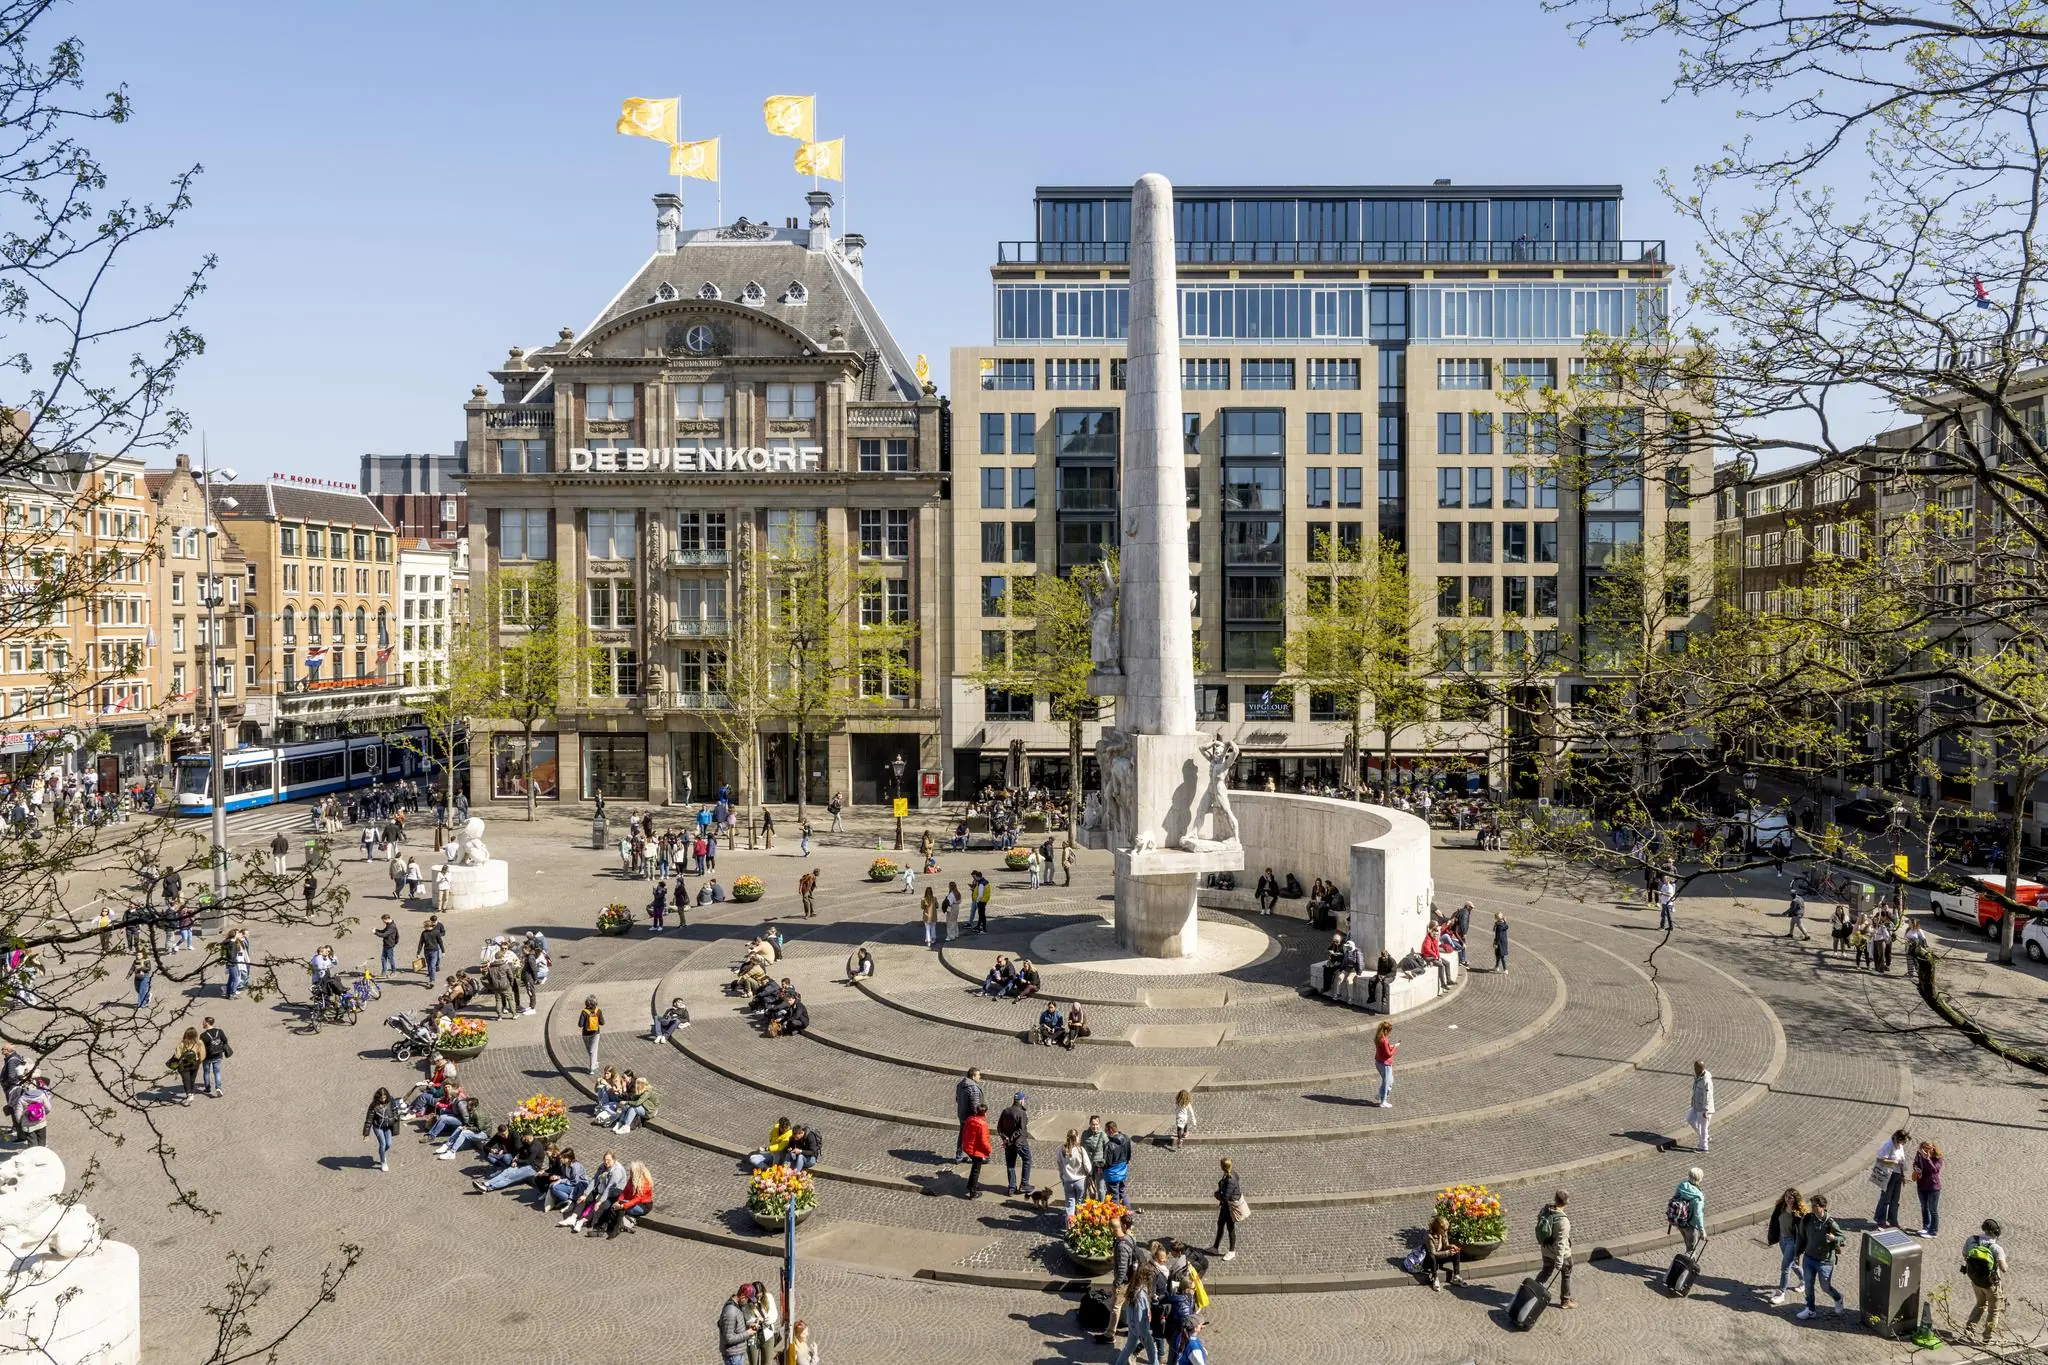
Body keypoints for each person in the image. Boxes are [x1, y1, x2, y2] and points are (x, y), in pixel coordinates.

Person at [1796, 1193, 1847, 1318]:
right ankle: (1810, 1309)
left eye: (1815, 1206)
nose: (1812, 1208)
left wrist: (1834, 1238)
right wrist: (1797, 1254)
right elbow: (1801, 1237)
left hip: (1824, 1261)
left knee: (1825, 1287)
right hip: (1808, 1258)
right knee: (1808, 1285)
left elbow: (1843, 1238)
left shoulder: (1830, 1223)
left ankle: (1838, 1298)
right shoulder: (1807, 1219)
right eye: (1812, 1206)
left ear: (1822, 1207)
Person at [1963, 1218, 2008, 1341]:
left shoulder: (1971, 1240)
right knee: (1994, 1311)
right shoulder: (1996, 1248)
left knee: (1980, 1303)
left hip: (1975, 1280)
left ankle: (1969, 1329)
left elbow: (1965, 1255)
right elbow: (2004, 1268)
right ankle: (1988, 1337)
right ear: (1996, 1232)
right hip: (1991, 1284)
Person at [1534, 1188, 1576, 1308]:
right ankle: (1565, 1301)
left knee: (1545, 1272)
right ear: (1567, 1202)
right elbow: (1561, 1243)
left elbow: (1539, 1222)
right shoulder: (1563, 1222)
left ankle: (1533, 1292)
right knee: (1566, 1274)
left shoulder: (1546, 1209)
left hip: (1546, 1250)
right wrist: (1559, 1261)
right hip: (1562, 1254)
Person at [1766, 1188, 1808, 1304]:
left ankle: (1781, 1293)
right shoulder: (1781, 1207)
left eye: (1790, 1197)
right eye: (1786, 1196)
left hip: (1792, 1242)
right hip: (1782, 1239)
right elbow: (1775, 1222)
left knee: (1785, 1267)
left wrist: (1800, 1248)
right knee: (1792, 1264)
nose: (1788, 1199)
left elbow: (1803, 1232)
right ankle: (1805, 1280)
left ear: (1795, 1199)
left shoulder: (1799, 1213)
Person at [1873, 1127, 1911, 1227]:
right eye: (1903, 1141)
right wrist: (1894, 1162)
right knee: (1886, 1198)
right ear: (1898, 1138)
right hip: (1889, 1174)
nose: (1904, 1144)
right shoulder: (1888, 1145)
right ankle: (1880, 1220)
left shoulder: (1900, 1145)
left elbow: (1901, 1161)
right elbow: (1880, 1159)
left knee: (1895, 1199)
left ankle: (1893, 1220)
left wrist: (1902, 1175)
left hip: (1897, 1174)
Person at [997, 1091, 1033, 1195]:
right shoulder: (1021, 1113)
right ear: (1021, 1101)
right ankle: (1024, 1184)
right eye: (1024, 1100)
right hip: (1019, 1143)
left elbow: (999, 1128)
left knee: (1010, 1165)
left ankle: (1011, 1188)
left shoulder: (1005, 1111)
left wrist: (1005, 1139)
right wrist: (1010, 1139)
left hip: (1008, 1144)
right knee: (1027, 1159)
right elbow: (1020, 1130)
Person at [1057, 1128, 1092, 1224]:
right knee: (1080, 1204)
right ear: (1077, 1137)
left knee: (1069, 1204)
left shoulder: (1061, 1150)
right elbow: (1088, 1167)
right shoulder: (1080, 1150)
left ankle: (1070, 1227)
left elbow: (1059, 1164)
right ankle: (1079, 1225)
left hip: (1067, 1180)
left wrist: (1062, 1175)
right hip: (1080, 1180)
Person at [362, 1086, 401, 1171]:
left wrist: (394, 1118)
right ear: (378, 1097)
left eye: (384, 1097)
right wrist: (366, 1134)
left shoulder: (391, 1100)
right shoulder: (373, 1106)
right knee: (383, 1144)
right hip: (378, 1127)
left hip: (388, 1126)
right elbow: (369, 1120)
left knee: (389, 1144)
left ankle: (381, 1153)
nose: (383, 1100)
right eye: (381, 1098)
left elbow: (395, 1111)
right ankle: (383, 1161)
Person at [1421, 1215, 1464, 1290]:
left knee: (1456, 1252)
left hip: (1440, 1256)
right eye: (1444, 1230)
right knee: (1432, 1256)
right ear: (1438, 1227)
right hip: (1429, 1260)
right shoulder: (1429, 1236)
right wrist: (1448, 1252)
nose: (1446, 1232)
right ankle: (1435, 1278)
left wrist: (1451, 1246)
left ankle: (1456, 1276)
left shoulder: (1443, 1234)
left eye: (1446, 1230)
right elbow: (1433, 1253)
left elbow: (1446, 1245)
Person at [1671, 1166, 1707, 1256]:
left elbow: (1674, 1198)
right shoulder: (1698, 1197)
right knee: (1691, 1250)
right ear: (1700, 1178)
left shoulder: (1682, 1185)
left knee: (1687, 1243)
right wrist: (1702, 1232)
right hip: (1691, 1225)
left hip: (1680, 1222)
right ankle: (1685, 1269)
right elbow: (1698, 1215)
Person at [960, 1101, 993, 1198]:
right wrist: (988, 1150)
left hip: (968, 1147)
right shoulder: (982, 1124)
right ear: (984, 1113)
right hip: (976, 1151)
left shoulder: (970, 1119)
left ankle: (971, 1185)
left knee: (974, 1166)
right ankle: (973, 1192)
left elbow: (964, 1131)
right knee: (976, 1170)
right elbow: (984, 1141)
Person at [1212, 1157, 1242, 1261]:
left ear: (1223, 1167)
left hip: (1229, 1207)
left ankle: (1232, 1251)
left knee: (1230, 1228)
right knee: (1220, 1224)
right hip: (1225, 1207)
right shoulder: (1230, 1173)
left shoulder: (1230, 1179)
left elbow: (1225, 1197)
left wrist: (1217, 1194)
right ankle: (1215, 1247)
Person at [1912, 1140, 1943, 1237]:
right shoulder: (1919, 1154)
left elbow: (1934, 1170)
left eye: (1929, 1148)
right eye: (1924, 1149)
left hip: (1933, 1186)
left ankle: (1933, 1231)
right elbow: (1915, 1163)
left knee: (1933, 1209)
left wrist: (1927, 1159)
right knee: (1924, 1207)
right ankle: (1926, 1227)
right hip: (1921, 1184)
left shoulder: (1938, 1157)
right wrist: (1916, 1168)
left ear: (1933, 1147)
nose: (1926, 1151)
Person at [719, 1286, 755, 1365]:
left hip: (737, 1352)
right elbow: (729, 1338)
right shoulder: (730, 1312)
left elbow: (736, 1325)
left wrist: (749, 1325)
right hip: (733, 1355)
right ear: (742, 1297)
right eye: (748, 1299)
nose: (748, 1302)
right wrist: (747, 1333)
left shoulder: (737, 1305)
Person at [168, 1027, 203, 1104]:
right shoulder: (199, 1043)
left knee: (186, 1080)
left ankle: (189, 1095)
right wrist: (199, 1062)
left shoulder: (182, 1044)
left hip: (184, 1065)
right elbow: (202, 1054)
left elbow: (177, 1055)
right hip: (195, 1063)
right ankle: (192, 1093)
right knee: (192, 1079)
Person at [1102, 1120, 1133, 1205]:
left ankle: (1115, 1217)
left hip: (1112, 1174)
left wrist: (1101, 1167)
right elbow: (1129, 1155)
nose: (1106, 1133)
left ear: (1110, 1130)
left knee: (1114, 1197)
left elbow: (1107, 1163)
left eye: (1106, 1131)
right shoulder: (1126, 1138)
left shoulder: (1109, 1145)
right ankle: (1128, 1215)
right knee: (1122, 1192)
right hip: (1122, 1171)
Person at [1688, 1060, 1715, 1153]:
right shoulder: (1697, 1075)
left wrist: (1706, 1111)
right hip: (1696, 1104)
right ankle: (1706, 1137)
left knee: (1703, 1127)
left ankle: (1703, 1147)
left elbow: (1708, 1096)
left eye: (1696, 1068)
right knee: (1690, 1119)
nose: (1694, 1069)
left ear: (1701, 1068)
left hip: (1703, 1108)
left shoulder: (1706, 1080)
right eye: (1694, 1067)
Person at [578, 995, 605, 1076]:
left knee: (591, 1050)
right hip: (595, 1033)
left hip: (586, 1034)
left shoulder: (584, 1012)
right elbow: (602, 1023)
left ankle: (592, 1067)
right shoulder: (598, 1011)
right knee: (593, 1050)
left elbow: (580, 1024)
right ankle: (594, 1064)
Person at [1373, 1020, 1398, 1108]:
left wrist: (1391, 1046)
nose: (1390, 1033)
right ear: (1386, 1030)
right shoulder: (1384, 1040)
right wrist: (1395, 1048)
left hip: (1378, 1062)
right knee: (1387, 1082)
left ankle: (1380, 1094)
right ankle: (1383, 1101)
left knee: (1389, 1080)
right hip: (1385, 1064)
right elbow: (1388, 1054)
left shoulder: (1378, 1038)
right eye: (1390, 1031)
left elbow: (1384, 1048)